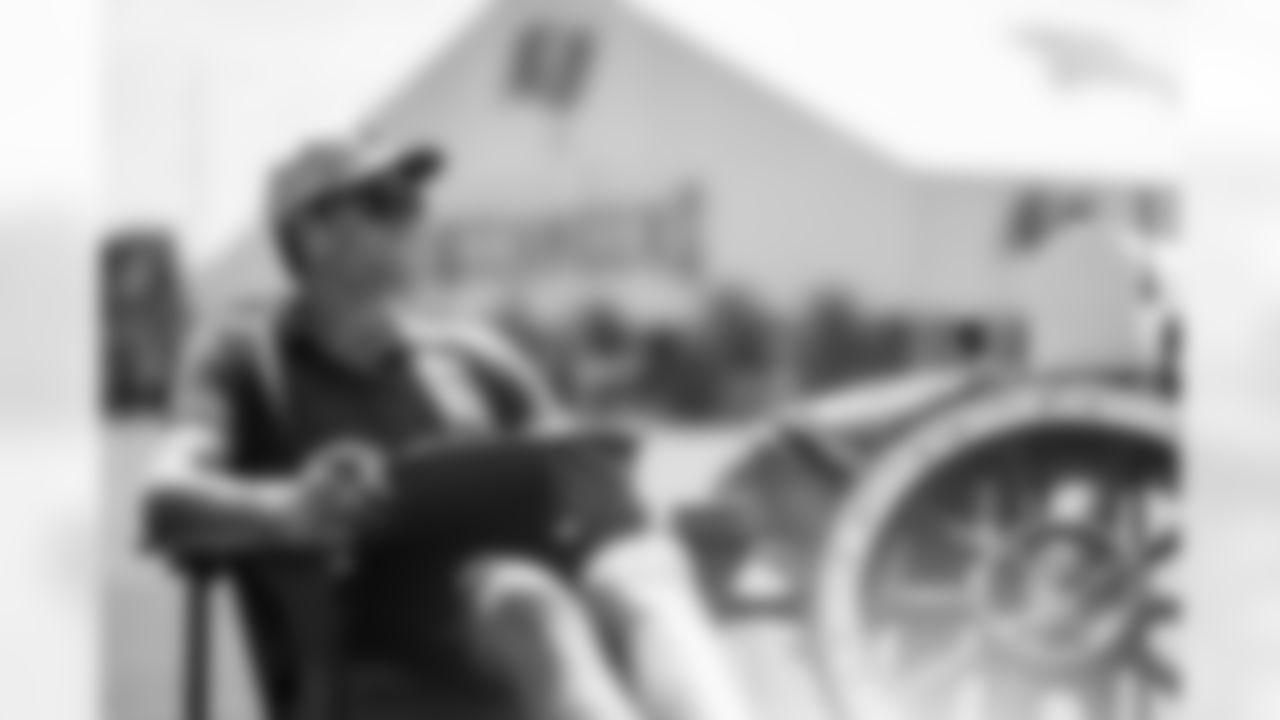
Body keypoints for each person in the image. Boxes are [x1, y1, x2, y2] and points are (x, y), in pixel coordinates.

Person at [144, 140, 755, 720]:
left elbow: (569, 469)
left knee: (642, 571)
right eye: (387, 202)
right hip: (370, 619)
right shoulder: (244, 356)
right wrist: (290, 506)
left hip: (529, 579)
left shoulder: (477, 352)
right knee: (525, 597)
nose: (413, 221)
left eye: (414, 203)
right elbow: (165, 494)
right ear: (315, 232)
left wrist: (644, 517)